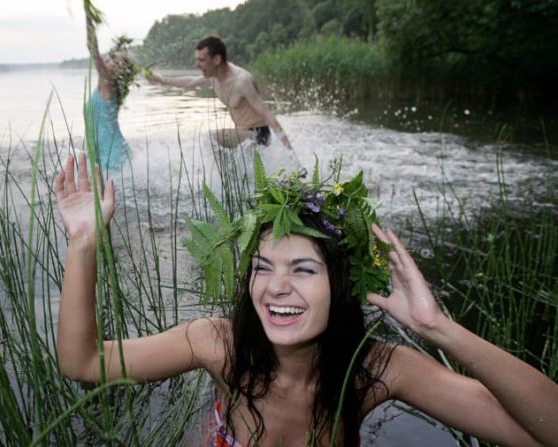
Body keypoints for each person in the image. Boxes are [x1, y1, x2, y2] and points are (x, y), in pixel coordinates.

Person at [53, 153, 558, 446]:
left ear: (341, 286)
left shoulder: (378, 369)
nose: (275, 287)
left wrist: (437, 327)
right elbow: (84, 362)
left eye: (304, 269)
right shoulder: (218, 345)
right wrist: (84, 242)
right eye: (262, 267)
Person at [148, 36, 294, 152]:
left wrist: (291, 155)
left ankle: (218, 182)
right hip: (241, 135)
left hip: (258, 136)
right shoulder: (213, 76)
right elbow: (190, 82)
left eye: (201, 60)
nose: (197, 65)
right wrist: (162, 80)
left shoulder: (241, 81)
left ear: (217, 59)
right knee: (214, 142)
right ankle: (224, 180)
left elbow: (267, 114)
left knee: (210, 139)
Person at [83, 7, 137, 172]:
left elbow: (94, 51)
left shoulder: (109, 84)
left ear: (121, 72)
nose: (110, 58)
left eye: (117, 60)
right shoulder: (104, 87)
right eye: (113, 56)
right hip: (106, 155)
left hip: (112, 159)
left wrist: (88, 18)